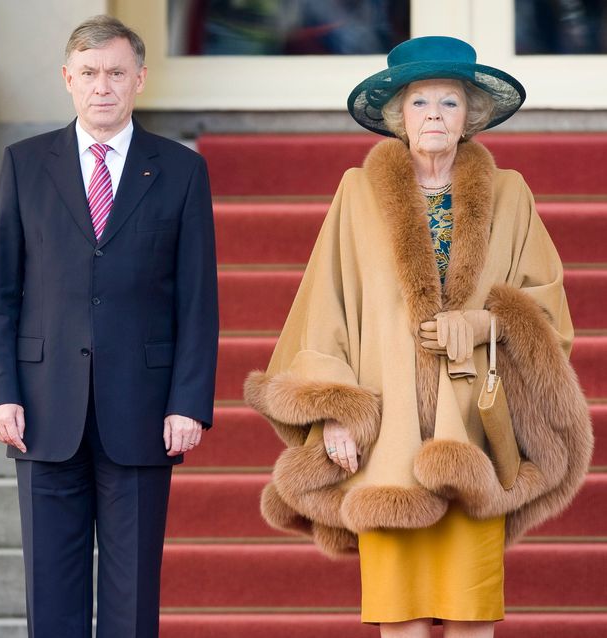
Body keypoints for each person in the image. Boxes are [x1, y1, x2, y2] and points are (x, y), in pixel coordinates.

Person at [244, 36, 592, 637]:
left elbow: (548, 313)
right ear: (398, 117)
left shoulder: (511, 195)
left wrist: (485, 323)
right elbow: (323, 312)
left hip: (476, 434)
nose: (434, 114)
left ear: (472, 116)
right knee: (397, 618)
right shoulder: (356, 194)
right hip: (387, 442)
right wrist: (334, 412)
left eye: (450, 102)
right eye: (420, 102)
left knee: (470, 617)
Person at [0, 15, 219, 638]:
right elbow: (0, 293)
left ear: (140, 79)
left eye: (115, 72)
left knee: (131, 595)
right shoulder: (25, 165)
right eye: (88, 73)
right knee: (50, 594)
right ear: (67, 79)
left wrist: (188, 402)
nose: (101, 86)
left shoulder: (181, 171)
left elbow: (197, 302)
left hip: (141, 410)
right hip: (41, 407)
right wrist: (0, 391)